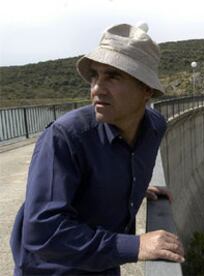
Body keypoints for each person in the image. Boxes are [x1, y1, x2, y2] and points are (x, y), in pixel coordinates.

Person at [10, 23, 185, 275]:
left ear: (146, 89)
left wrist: (128, 184)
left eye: (113, 76)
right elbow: (42, 232)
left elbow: (117, 162)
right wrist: (134, 245)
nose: (96, 89)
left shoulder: (154, 128)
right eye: (95, 76)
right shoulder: (65, 137)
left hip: (103, 267)